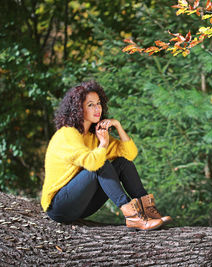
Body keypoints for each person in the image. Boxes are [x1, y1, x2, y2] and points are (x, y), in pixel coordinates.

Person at [41, 81, 171, 231]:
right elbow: (92, 163)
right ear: (78, 109)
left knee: (122, 163)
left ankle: (149, 212)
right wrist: (103, 144)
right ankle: (133, 216)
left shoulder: (94, 137)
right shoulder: (67, 134)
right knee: (101, 163)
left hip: (84, 207)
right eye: (90, 105)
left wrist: (117, 126)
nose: (97, 108)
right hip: (59, 207)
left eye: (98, 103)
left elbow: (129, 154)